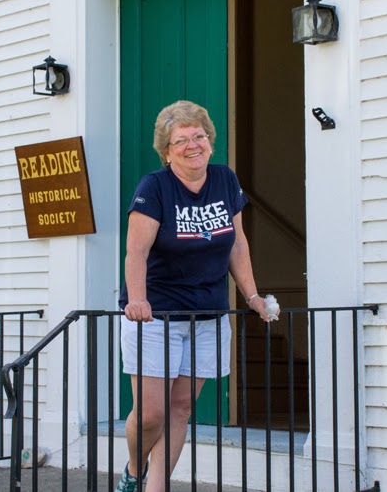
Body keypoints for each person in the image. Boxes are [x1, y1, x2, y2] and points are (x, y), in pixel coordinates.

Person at [116, 100, 278, 492]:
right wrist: (136, 299)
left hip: (208, 317)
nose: (193, 144)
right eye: (181, 140)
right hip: (156, 318)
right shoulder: (154, 187)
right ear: (167, 151)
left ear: (210, 140)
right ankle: (135, 471)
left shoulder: (224, 180)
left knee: (181, 407)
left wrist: (253, 296)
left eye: (199, 135)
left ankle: (155, 488)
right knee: (151, 413)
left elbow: (237, 244)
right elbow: (135, 251)